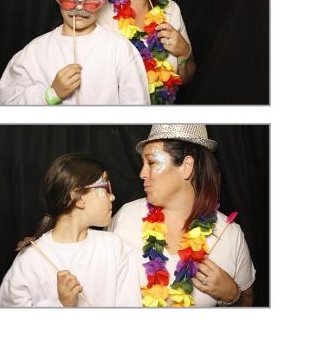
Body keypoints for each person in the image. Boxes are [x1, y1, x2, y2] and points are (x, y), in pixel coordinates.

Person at [109, 124, 255, 307]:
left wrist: (233, 295)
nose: (142, 173)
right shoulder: (125, 217)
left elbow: (248, 302)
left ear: (186, 166)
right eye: (143, 164)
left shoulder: (229, 234)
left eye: (152, 163)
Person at [0, 0, 149, 105]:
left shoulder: (120, 49)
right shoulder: (34, 53)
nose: (79, 6)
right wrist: (51, 94)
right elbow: (6, 102)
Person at [0, 154, 141, 307]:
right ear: (78, 197)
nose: (112, 197)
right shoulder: (29, 261)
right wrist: (61, 304)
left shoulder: (115, 247)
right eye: (105, 188)